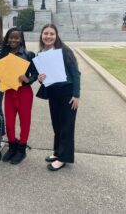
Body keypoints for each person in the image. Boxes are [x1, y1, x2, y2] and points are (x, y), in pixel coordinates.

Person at [37, 24, 81, 171]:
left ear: (56, 36)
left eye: (51, 34)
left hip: (67, 92)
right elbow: (42, 77)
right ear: (41, 35)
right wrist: (40, 78)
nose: (48, 36)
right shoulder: (41, 53)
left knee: (67, 126)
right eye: (45, 33)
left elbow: (76, 73)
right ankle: (57, 152)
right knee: (57, 125)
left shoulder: (65, 51)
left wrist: (76, 95)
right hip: (53, 93)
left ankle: (63, 158)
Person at [0, 27, 37, 164]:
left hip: (24, 93)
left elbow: (35, 74)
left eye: (16, 37)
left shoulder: (29, 55)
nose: (13, 40)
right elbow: (1, 72)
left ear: (21, 39)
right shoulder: (4, 54)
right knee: (9, 122)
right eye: (11, 37)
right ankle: (12, 146)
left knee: (24, 122)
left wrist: (27, 80)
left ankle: (21, 149)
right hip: (9, 92)